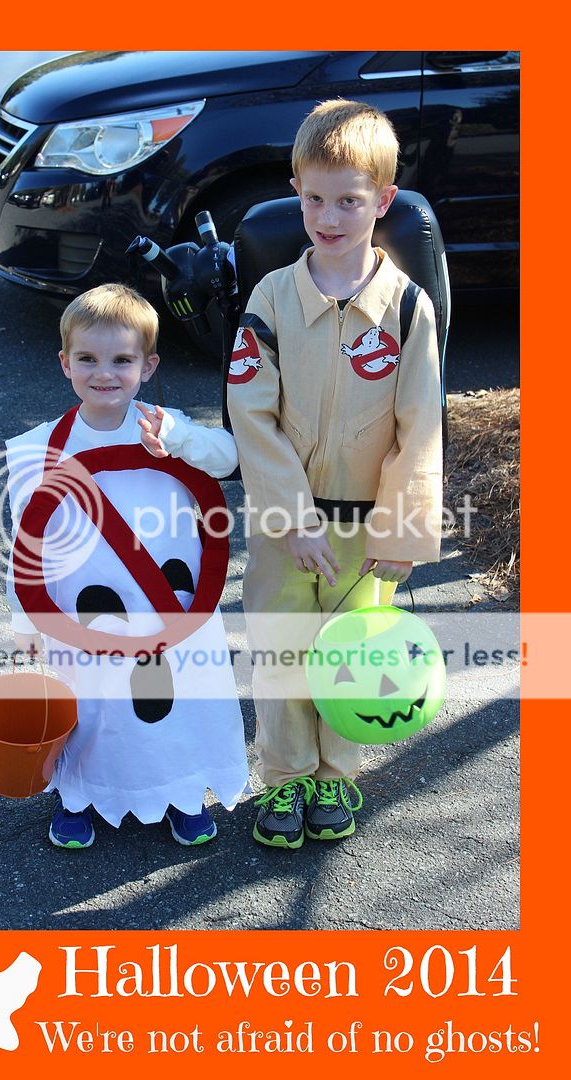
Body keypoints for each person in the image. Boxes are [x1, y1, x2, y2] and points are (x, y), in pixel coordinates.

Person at [227, 98, 443, 849]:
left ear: (383, 200)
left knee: (352, 658)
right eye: (314, 198)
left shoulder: (408, 308)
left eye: (349, 200)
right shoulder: (271, 298)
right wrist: (292, 518)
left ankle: (335, 775)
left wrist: (402, 534)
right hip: (285, 529)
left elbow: (420, 427)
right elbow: (251, 414)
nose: (329, 216)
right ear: (296, 190)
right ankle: (286, 778)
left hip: (365, 532)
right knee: (283, 651)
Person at [5, 283, 248, 849]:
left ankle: (183, 792)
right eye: (88, 359)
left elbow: (228, 459)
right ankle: (78, 794)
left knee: (181, 698)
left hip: (171, 604)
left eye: (121, 360)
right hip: (83, 611)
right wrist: (25, 622)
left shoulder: (167, 427)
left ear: (148, 365)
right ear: (65, 363)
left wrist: (179, 438)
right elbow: (26, 545)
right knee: (92, 703)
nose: (104, 373)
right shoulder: (36, 449)